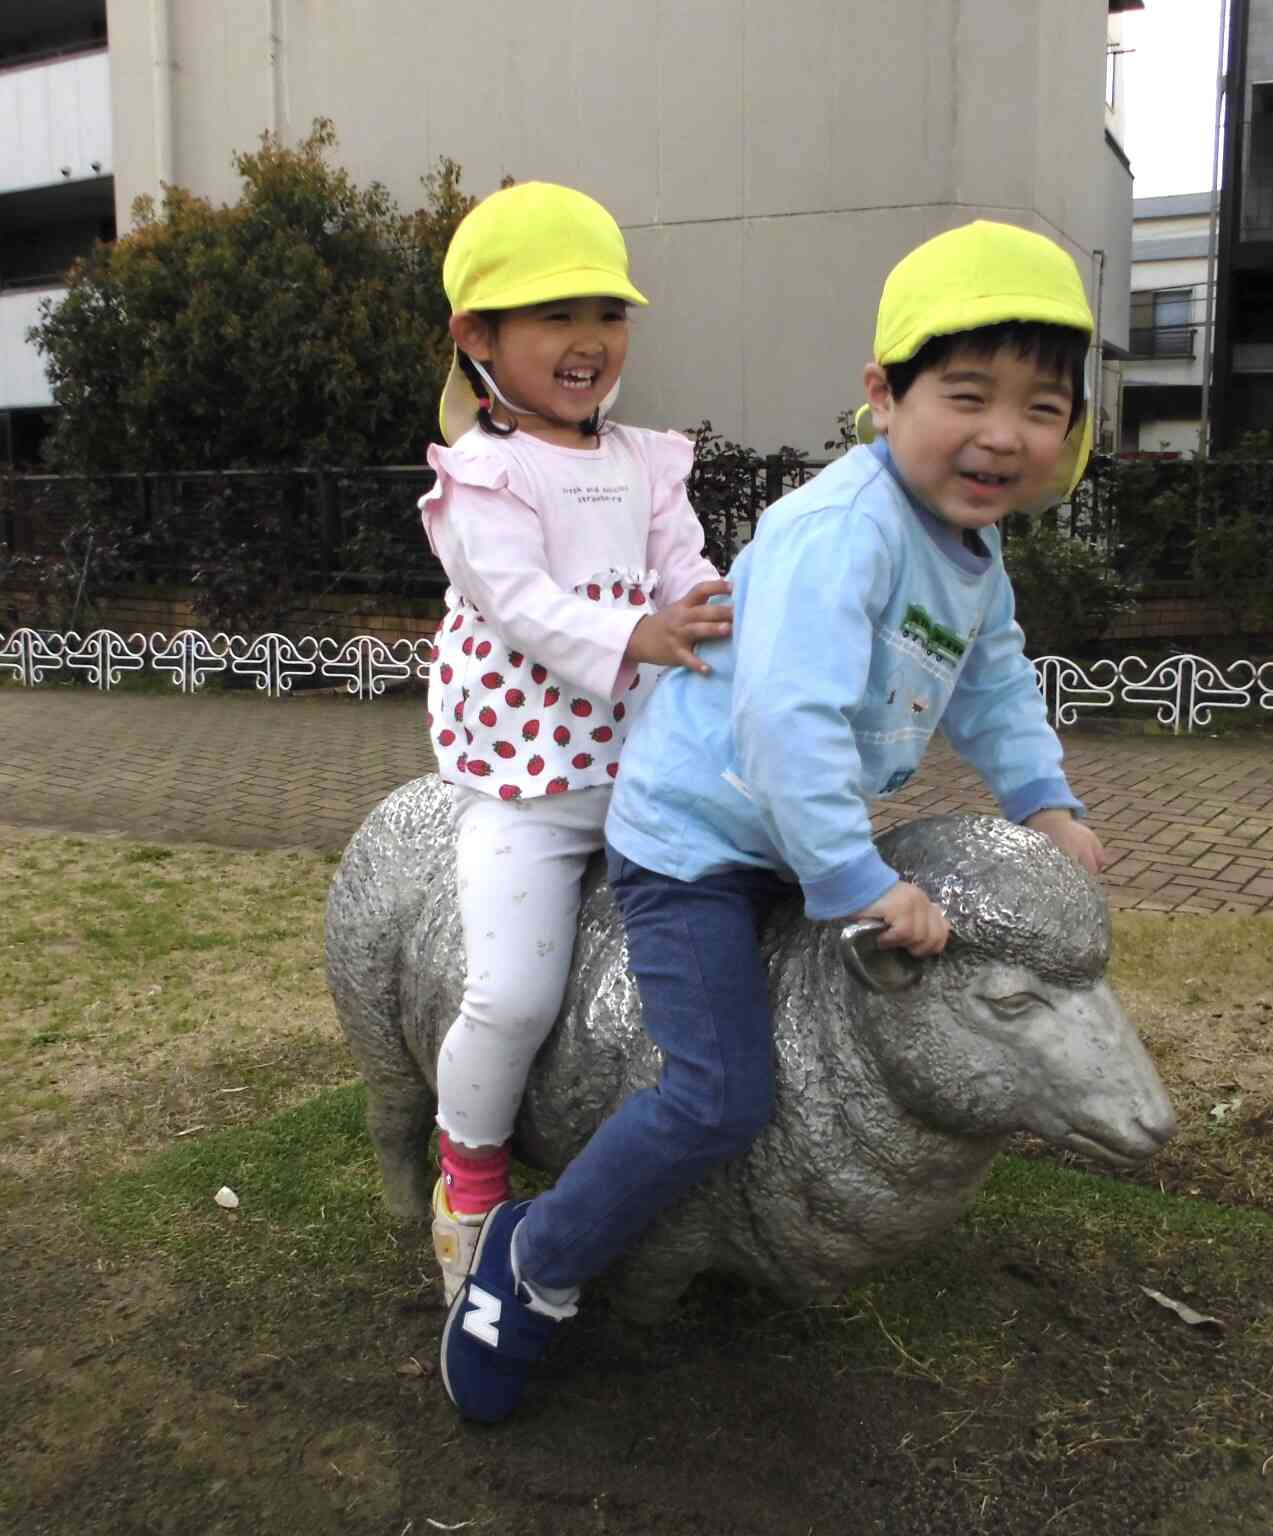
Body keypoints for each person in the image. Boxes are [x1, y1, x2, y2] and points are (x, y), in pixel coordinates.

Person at [438, 219, 1107, 1423]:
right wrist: (850, 881)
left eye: (1042, 406)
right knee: (719, 1092)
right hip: (697, 843)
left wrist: (1042, 800)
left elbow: (995, 678)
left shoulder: (967, 546)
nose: (1004, 433)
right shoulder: (836, 533)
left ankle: (759, 1219)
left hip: (789, 837)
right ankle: (533, 1259)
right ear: (882, 395)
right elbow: (784, 726)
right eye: (967, 394)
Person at [417, 182, 733, 1310]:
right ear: (477, 338)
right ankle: (468, 1180)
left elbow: (682, 565)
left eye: (607, 312)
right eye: (553, 315)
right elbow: (521, 607)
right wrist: (638, 632)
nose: (588, 340)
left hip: (652, 776)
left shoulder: (647, 461)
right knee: (509, 996)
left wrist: (716, 605)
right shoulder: (481, 478)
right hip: (530, 788)